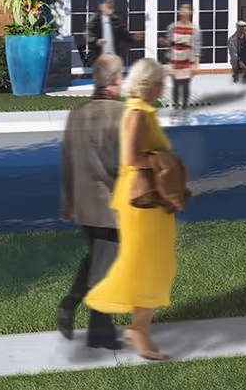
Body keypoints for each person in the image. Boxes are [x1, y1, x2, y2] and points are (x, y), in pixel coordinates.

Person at [85, 58, 179, 362]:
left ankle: (139, 326)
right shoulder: (137, 113)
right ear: (150, 86)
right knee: (147, 264)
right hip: (142, 201)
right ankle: (139, 329)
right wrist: (163, 160)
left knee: (153, 263)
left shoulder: (140, 110)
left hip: (149, 200)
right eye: (161, 82)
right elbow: (130, 158)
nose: (164, 87)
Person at [57, 54, 126, 351]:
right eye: (120, 77)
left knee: (98, 258)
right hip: (112, 204)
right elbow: (121, 163)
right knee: (107, 267)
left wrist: (67, 200)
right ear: (115, 80)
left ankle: (77, 309)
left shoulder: (78, 113)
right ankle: (97, 328)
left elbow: (67, 160)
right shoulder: (121, 114)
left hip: (85, 203)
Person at [80, 0, 132, 72]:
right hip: (99, 57)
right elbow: (86, 32)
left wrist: (133, 38)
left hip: (113, 57)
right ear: (101, 6)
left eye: (112, 4)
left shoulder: (116, 20)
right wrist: (95, 40)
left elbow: (124, 35)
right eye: (108, 4)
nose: (111, 6)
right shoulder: (95, 19)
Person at [166, 5, 196, 109]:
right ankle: (175, 106)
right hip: (175, 59)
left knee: (186, 85)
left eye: (185, 10)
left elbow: (196, 46)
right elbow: (169, 43)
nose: (182, 11)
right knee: (176, 84)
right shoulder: (173, 26)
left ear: (190, 12)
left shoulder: (194, 28)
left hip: (187, 59)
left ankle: (185, 106)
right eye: (181, 9)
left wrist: (195, 63)